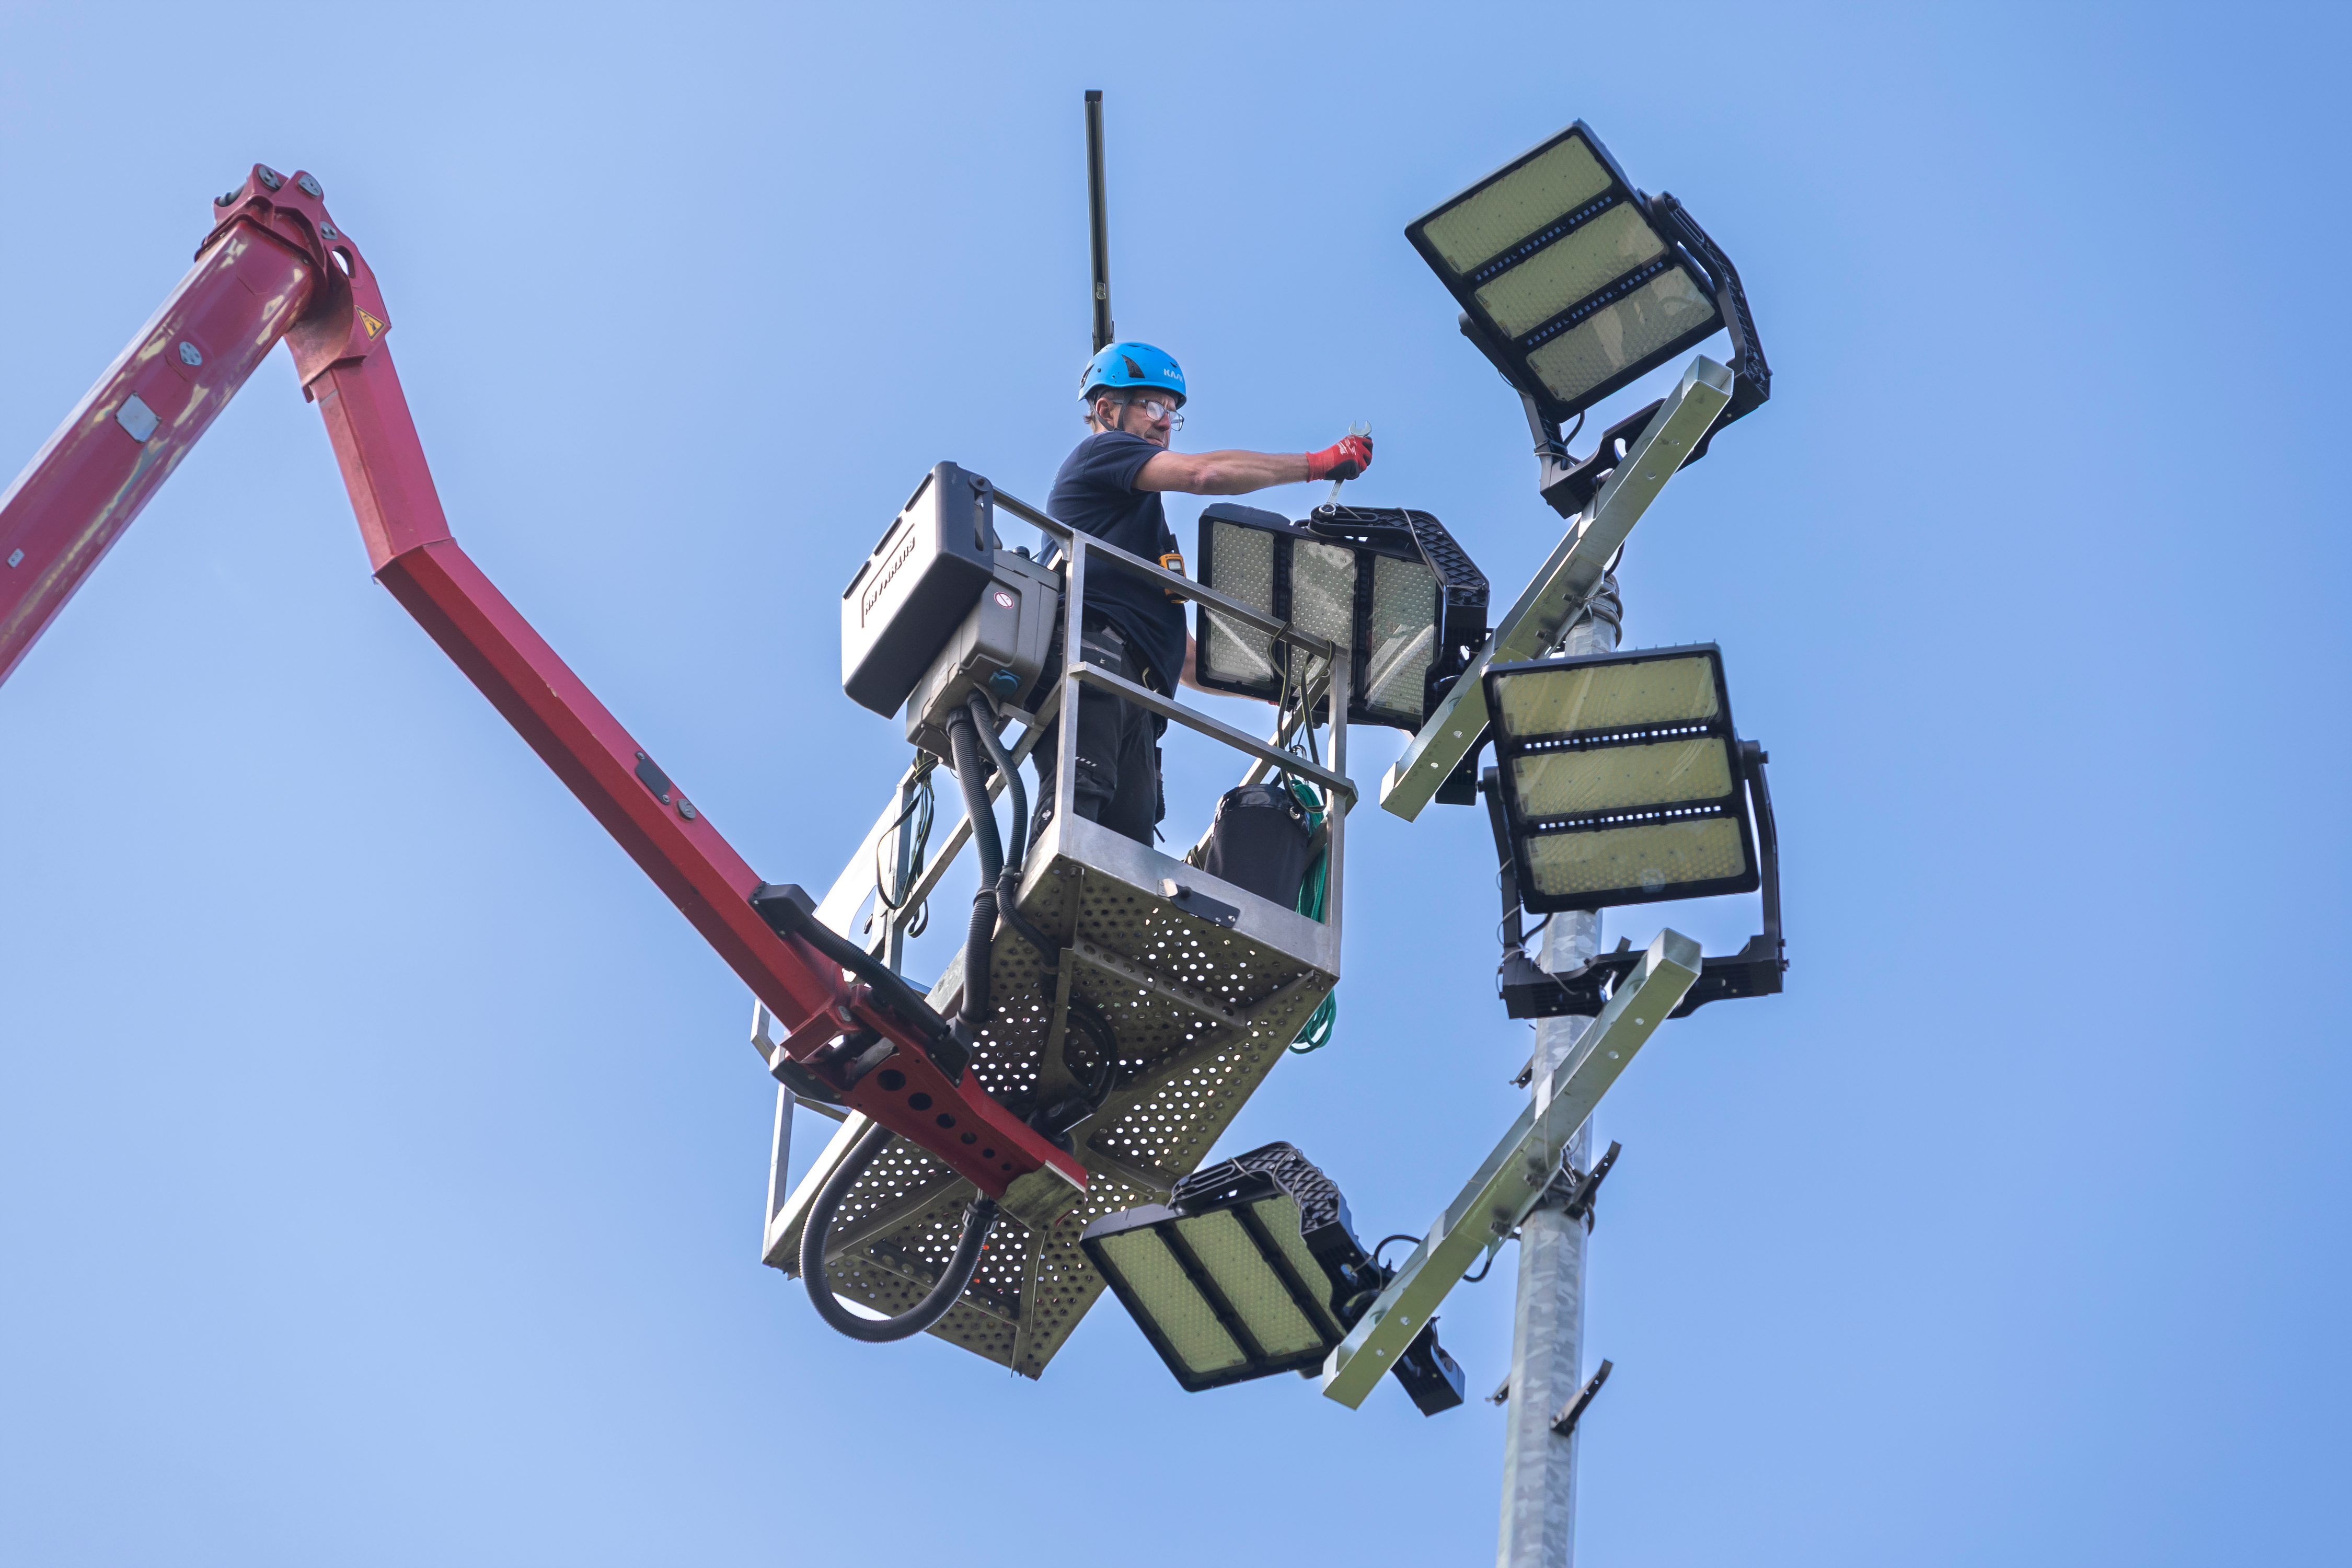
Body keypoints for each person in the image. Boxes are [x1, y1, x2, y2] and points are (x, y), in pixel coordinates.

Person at [1031, 341, 1373, 846]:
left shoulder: (1144, 533)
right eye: (1152, 406)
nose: (1165, 422)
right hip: (1095, 659)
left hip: (1140, 695)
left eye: (1172, 413)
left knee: (1125, 854)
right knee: (1074, 817)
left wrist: (1287, 690)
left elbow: (1189, 664)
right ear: (1106, 410)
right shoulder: (1100, 453)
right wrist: (1318, 464)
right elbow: (1203, 473)